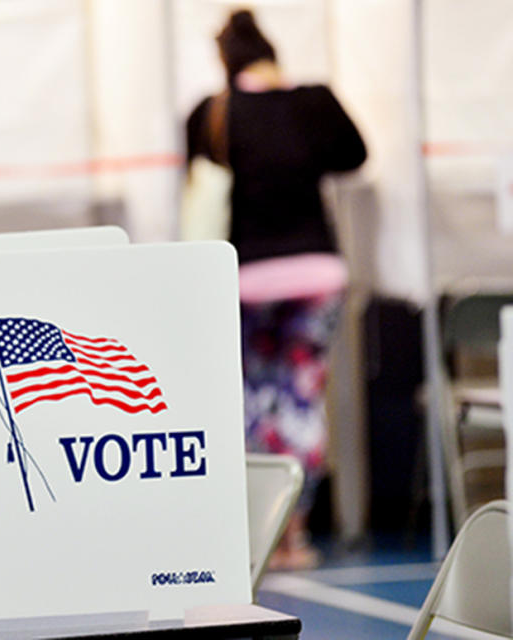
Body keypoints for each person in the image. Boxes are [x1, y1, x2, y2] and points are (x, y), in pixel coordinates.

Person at [186, 10, 367, 569]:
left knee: (248, 402)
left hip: (246, 280)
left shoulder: (212, 113)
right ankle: (295, 534)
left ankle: (255, 536)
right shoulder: (314, 103)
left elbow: (196, 180)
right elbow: (356, 156)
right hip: (315, 275)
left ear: (225, 62)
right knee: (300, 400)